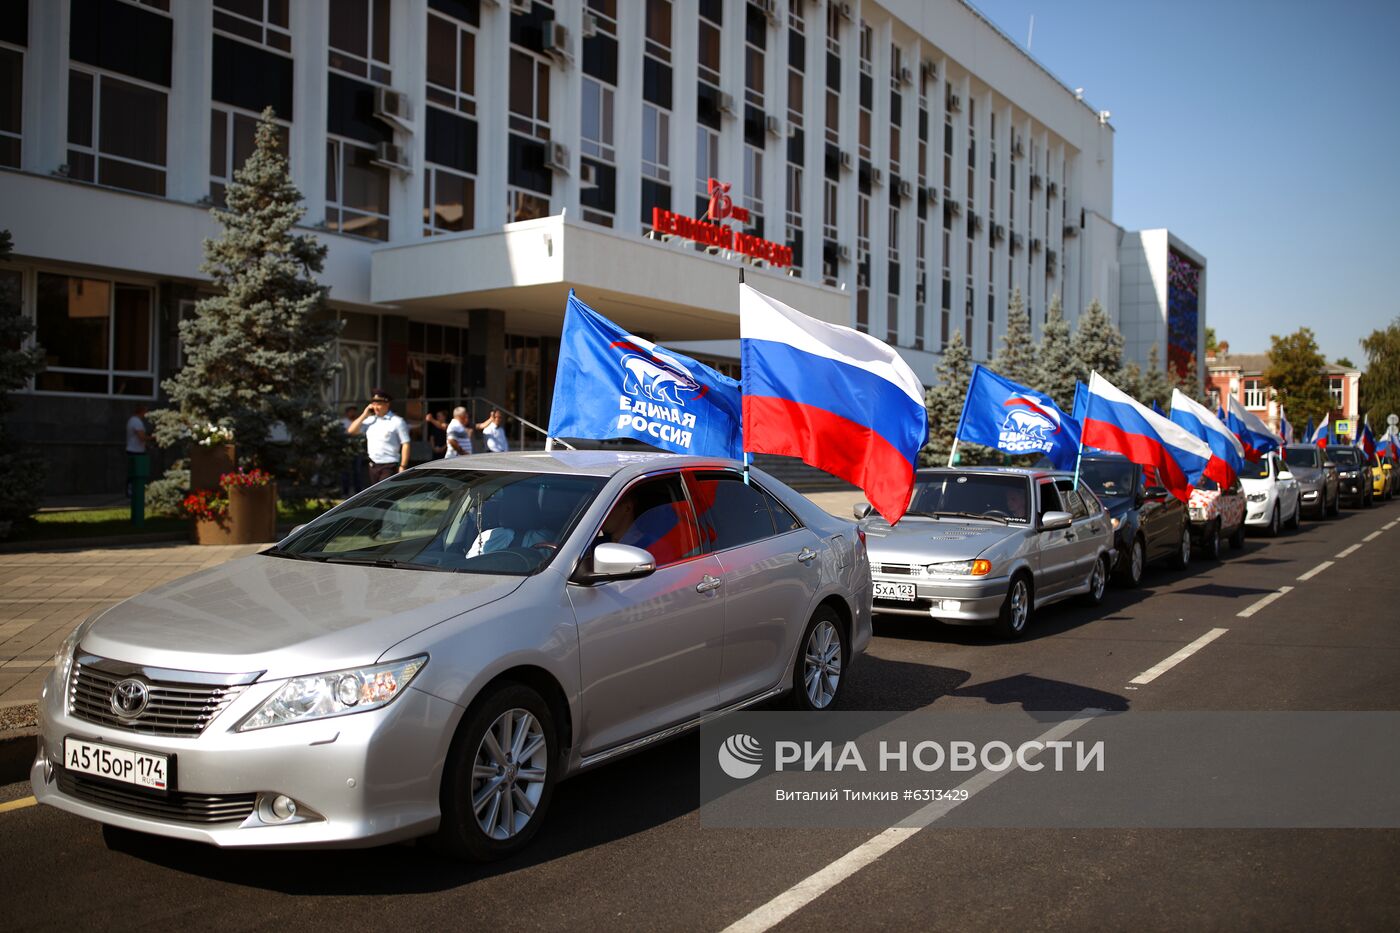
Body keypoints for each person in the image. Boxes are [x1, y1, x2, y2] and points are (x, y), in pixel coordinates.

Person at [346, 388, 411, 484]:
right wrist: (364, 414)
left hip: (389, 466)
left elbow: (406, 444)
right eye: (374, 404)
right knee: (376, 497)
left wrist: (403, 466)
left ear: (387, 404)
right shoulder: (370, 420)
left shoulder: (397, 421)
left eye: (379, 404)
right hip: (373, 465)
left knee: (385, 494)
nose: (376, 407)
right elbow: (351, 431)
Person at [125, 404, 149, 498]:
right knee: (135, 473)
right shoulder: (136, 422)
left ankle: (132, 491)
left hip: (134, 450)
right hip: (136, 451)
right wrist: (154, 437)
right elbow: (142, 437)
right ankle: (132, 491)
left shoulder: (132, 420)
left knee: (132, 473)